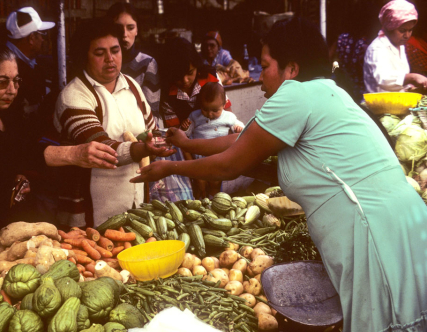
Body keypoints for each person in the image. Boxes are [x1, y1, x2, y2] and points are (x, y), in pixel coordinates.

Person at [132, 17, 427, 332]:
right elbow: (244, 141)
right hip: (405, 223)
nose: (260, 78)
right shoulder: (329, 93)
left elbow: (231, 163)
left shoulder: (295, 95)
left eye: (265, 65)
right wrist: (189, 143)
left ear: (292, 69)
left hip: (372, 233)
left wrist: (170, 166)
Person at [0, 38, 118, 268]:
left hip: (2, 224)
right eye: (2, 82)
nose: (12, 90)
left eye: (16, 81)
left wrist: (22, 175)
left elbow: (22, 150)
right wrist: (74, 154)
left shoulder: (7, 112)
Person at [53, 19, 173, 228]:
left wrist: (163, 140)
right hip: (90, 218)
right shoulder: (74, 96)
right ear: (84, 56)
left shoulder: (132, 86)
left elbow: (151, 130)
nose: (110, 59)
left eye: (115, 50)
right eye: (99, 53)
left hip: (135, 207)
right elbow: (101, 149)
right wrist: (143, 148)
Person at [151, 37, 232, 202]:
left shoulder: (210, 77)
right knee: (196, 194)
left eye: (190, 73)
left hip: (217, 145)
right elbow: (178, 138)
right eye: (179, 77)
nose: (186, 81)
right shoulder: (167, 95)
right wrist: (196, 173)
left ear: (196, 65)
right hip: (187, 152)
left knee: (216, 192)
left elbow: (226, 112)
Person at [182, 82, 244, 198]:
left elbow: (242, 128)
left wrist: (239, 129)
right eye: (205, 109)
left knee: (215, 182)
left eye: (215, 110)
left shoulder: (228, 117)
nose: (210, 114)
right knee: (200, 182)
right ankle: (202, 203)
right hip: (200, 158)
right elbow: (186, 135)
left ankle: (214, 202)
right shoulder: (195, 116)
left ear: (224, 104)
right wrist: (185, 128)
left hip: (218, 156)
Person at [106, 3, 161, 126]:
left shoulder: (147, 63)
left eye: (130, 28)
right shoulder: (104, 62)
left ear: (137, 30)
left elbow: (151, 114)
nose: (124, 34)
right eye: (118, 28)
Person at [363, 0, 427, 93]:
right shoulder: (377, 48)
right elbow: (382, 79)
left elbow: (398, 81)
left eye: (410, 30)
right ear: (390, 27)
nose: (407, 35)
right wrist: (412, 77)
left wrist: (410, 86)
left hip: (397, 101)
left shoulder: (400, 45)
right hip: (378, 104)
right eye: (402, 30)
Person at [5, 7, 55, 121]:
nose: (43, 39)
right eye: (42, 34)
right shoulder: (12, 68)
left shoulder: (23, 60)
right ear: (32, 38)